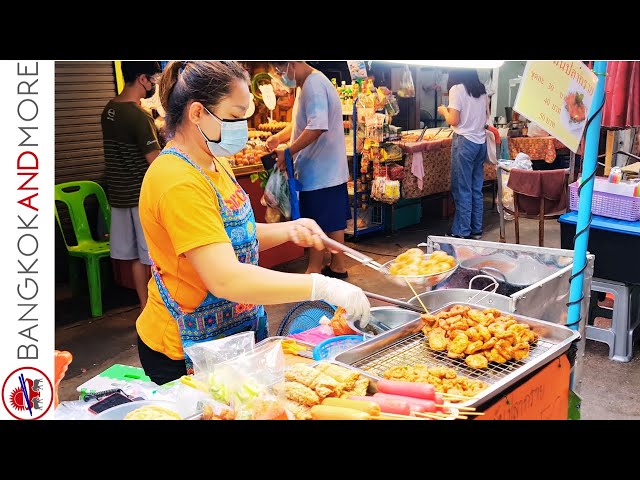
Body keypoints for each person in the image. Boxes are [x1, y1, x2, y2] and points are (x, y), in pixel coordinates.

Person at [137, 61, 370, 385]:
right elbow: (226, 279)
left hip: (235, 334)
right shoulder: (176, 180)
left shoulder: (214, 162)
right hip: (184, 351)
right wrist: (322, 285)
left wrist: (291, 229)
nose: (242, 128)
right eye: (234, 117)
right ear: (197, 113)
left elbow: (227, 235)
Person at [266, 61, 351, 278]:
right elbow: (301, 124)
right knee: (332, 220)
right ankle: (337, 265)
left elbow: (317, 126)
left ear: (292, 64)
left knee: (317, 221)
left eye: (279, 69)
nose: (280, 75)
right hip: (324, 170)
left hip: (321, 170)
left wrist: (288, 152)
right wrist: (280, 137)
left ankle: (314, 270)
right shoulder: (307, 85)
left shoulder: (313, 84)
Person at [101, 61, 162, 312]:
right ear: (141, 79)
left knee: (138, 258)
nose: (154, 84)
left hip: (119, 196)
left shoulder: (108, 110)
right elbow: (155, 163)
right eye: (152, 79)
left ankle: (144, 306)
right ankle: (157, 309)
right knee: (154, 256)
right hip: (141, 197)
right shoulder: (138, 115)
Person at [438, 69, 489, 240]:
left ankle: (462, 231)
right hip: (480, 143)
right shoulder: (482, 91)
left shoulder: (456, 89)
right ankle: (476, 229)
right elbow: (487, 117)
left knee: (462, 189)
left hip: (465, 142)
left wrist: (444, 111)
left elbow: (454, 120)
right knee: (475, 189)